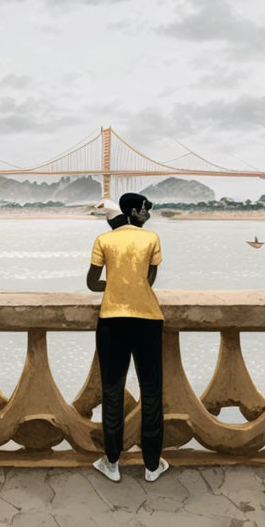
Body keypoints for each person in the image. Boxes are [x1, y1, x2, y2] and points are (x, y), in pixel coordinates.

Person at [87, 193, 168, 483]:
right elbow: (149, 280)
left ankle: (112, 463)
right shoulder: (151, 239)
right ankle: (151, 466)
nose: (148, 215)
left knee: (112, 391)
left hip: (112, 321)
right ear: (134, 211)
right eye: (146, 210)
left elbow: (92, 282)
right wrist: (132, 285)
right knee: (151, 391)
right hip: (148, 320)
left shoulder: (103, 240)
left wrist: (116, 285)